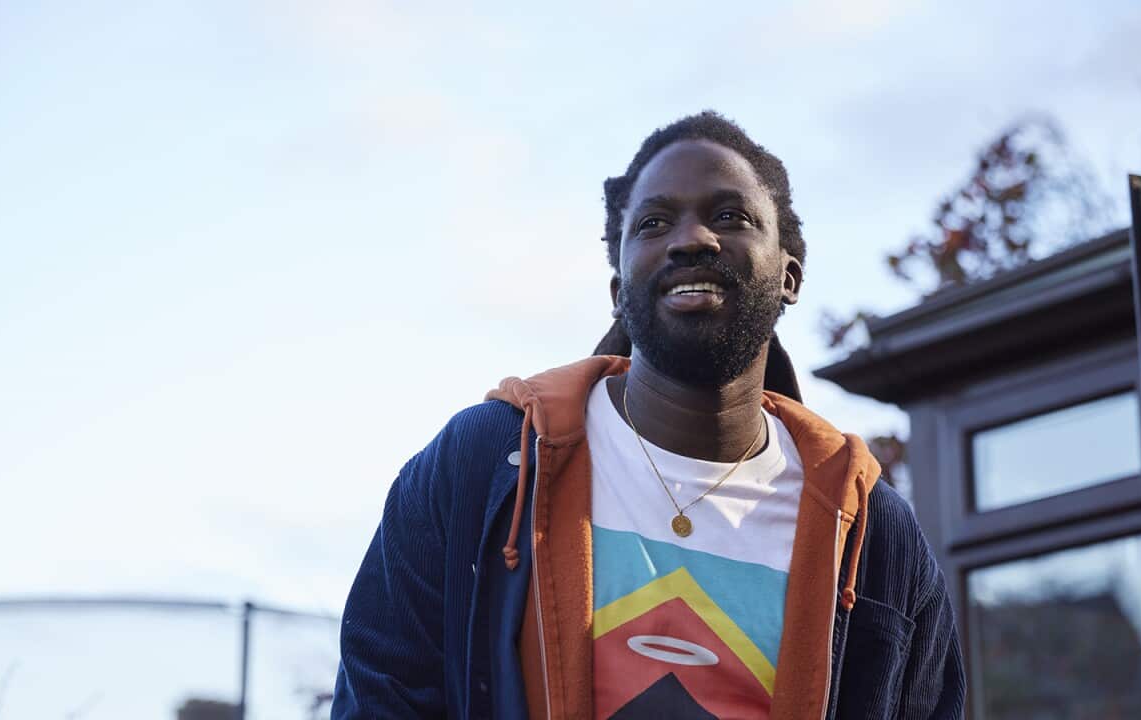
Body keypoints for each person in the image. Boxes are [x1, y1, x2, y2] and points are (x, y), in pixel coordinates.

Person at [332, 111, 964, 719]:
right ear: (618, 289)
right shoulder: (485, 462)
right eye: (655, 223)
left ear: (789, 277)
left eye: (729, 215)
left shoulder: (871, 531)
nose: (692, 239)